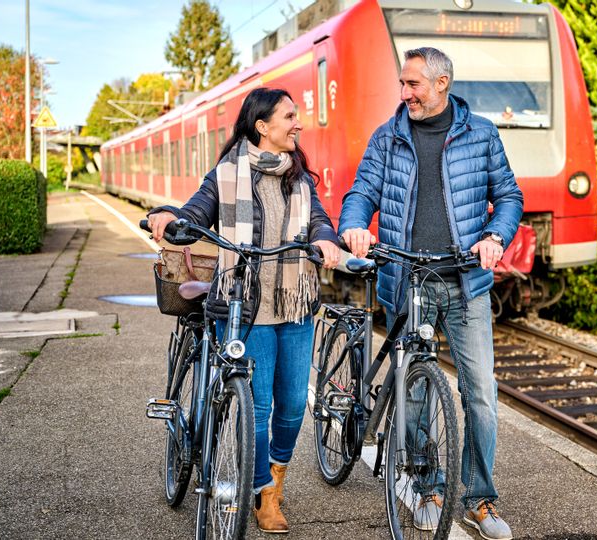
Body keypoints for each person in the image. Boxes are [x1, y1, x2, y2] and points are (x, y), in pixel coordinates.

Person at [339, 47, 522, 540]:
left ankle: (479, 502)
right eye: (403, 84)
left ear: (442, 84)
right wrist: (355, 225)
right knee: (416, 390)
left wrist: (495, 237)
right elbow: (361, 193)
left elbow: (508, 196)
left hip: (466, 282)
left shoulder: (481, 133)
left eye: (414, 84)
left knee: (480, 394)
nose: (406, 94)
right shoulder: (388, 137)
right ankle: (427, 487)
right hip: (408, 277)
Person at [147, 87, 340, 534]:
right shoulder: (226, 175)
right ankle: (261, 492)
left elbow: (319, 222)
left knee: (292, 406)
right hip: (245, 304)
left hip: (293, 305)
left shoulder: (300, 177)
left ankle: (275, 479)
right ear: (262, 126)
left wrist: (326, 239)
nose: (298, 123)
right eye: (290, 116)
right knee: (256, 406)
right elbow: (195, 213)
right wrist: (167, 216)